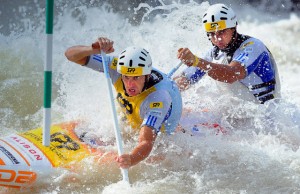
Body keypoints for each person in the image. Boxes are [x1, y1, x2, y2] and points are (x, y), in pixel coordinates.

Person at [64, 37, 182, 169]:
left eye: (136, 78)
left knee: (153, 161)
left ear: (147, 76)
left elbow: (146, 141)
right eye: (126, 77)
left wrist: (132, 159)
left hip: (161, 136)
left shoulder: (158, 98)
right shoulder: (117, 67)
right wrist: (93, 50)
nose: (130, 84)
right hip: (133, 117)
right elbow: (70, 55)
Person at [175, 3, 281, 104]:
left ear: (233, 28)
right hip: (240, 113)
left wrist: (196, 61)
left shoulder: (253, 46)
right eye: (212, 34)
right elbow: (185, 80)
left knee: (211, 68)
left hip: (265, 116)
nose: (217, 39)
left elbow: (230, 74)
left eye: (221, 32)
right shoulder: (214, 52)